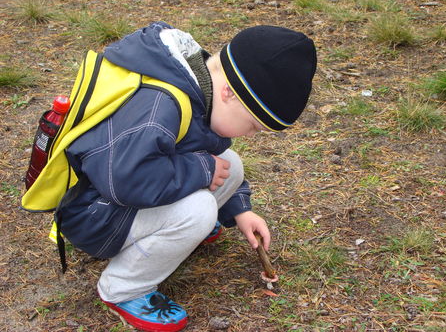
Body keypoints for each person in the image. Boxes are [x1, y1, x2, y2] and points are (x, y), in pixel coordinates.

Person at [59, 21, 317, 331]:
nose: (249, 135)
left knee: (229, 163)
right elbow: (125, 182)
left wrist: (239, 210)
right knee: (200, 208)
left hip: (119, 200)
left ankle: (180, 231)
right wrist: (202, 170)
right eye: (252, 126)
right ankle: (123, 288)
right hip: (93, 216)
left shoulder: (198, 88)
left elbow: (199, 147)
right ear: (229, 93)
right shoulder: (159, 108)